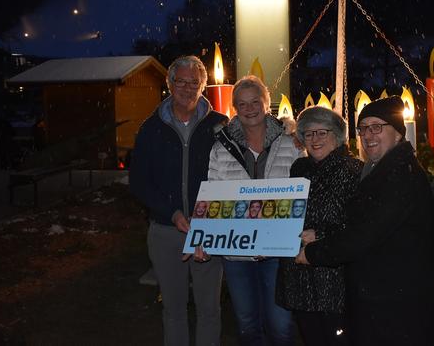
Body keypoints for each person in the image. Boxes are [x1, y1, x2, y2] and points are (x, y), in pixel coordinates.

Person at [295, 96, 434, 346]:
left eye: (377, 127)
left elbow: (365, 234)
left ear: (398, 133)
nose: (368, 135)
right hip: (383, 294)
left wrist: (314, 253)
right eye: (363, 129)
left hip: (394, 300)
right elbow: (359, 223)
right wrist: (319, 235)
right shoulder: (380, 169)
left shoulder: (400, 176)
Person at [130, 55, 228, 346]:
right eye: (180, 81)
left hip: (208, 231)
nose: (187, 88)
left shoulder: (219, 125)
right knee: (173, 309)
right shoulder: (151, 128)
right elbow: (139, 182)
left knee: (209, 309)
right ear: (169, 83)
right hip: (165, 231)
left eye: (194, 83)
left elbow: (235, 174)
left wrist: (207, 220)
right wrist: (171, 212)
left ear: (203, 86)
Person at [207, 75, 304, 346]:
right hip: (237, 253)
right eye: (242, 103)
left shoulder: (292, 143)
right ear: (235, 107)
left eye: (255, 102)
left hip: (278, 250)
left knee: (281, 326)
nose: (250, 109)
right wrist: (206, 235)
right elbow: (214, 194)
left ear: (266, 103)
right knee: (248, 327)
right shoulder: (221, 147)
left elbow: (305, 191)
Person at [276, 106, 363, 346]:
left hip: (332, 278)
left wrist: (321, 234)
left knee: (337, 339)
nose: (314, 140)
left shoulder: (353, 170)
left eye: (322, 133)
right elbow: (288, 212)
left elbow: (360, 225)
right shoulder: (299, 168)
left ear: (337, 135)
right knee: (310, 337)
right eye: (308, 134)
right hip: (299, 275)